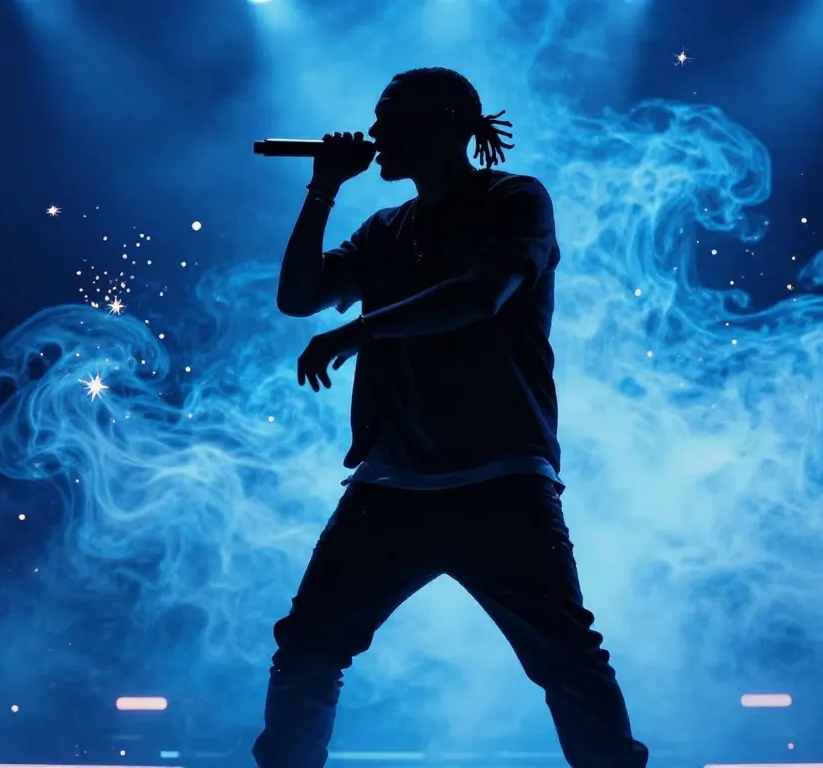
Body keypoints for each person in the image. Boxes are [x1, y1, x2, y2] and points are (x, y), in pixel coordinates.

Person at [254, 67, 650, 768]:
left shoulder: (514, 200)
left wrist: (358, 331)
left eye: (390, 118)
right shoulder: (385, 229)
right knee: (309, 646)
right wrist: (323, 189)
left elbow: (480, 294)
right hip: (391, 485)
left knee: (566, 659)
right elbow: (298, 297)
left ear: (443, 126)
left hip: (500, 480)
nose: (375, 133)